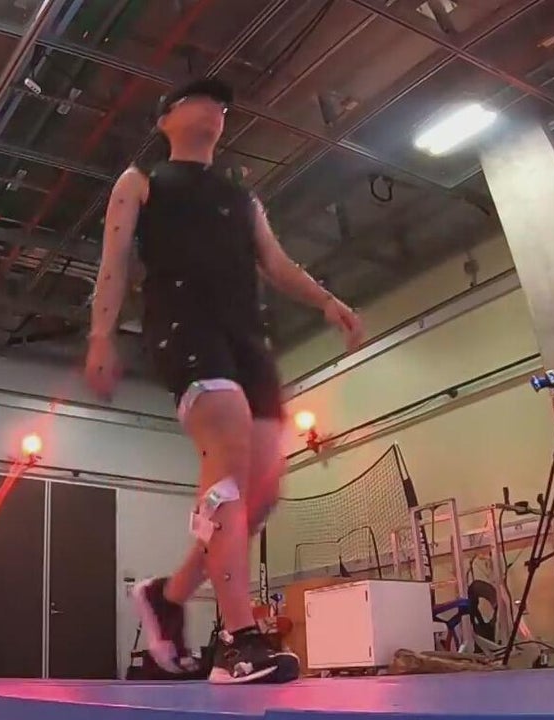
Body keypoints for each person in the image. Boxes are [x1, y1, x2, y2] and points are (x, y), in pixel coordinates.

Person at [83, 78, 364, 684]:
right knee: (228, 453)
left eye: (222, 104)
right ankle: (239, 639)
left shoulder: (242, 197)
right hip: (184, 324)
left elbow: (277, 263)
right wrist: (101, 336)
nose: (214, 108)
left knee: (260, 490)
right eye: (198, 98)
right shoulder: (140, 182)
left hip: (245, 338)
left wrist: (327, 301)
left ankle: (168, 596)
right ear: (165, 119)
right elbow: (113, 264)